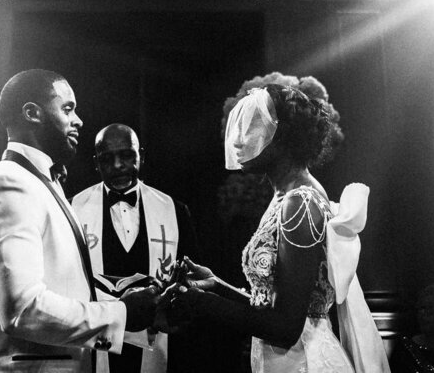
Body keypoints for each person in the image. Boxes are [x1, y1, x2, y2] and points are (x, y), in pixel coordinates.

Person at [163, 83, 390, 372]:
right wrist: (215, 285)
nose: (238, 140)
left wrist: (200, 302)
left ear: (282, 137)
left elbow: (285, 328)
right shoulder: (286, 196)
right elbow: (280, 305)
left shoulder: (299, 204)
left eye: (253, 128)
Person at [0, 68, 161, 372]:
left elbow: (63, 289)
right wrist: (120, 313)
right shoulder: (8, 186)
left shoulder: (39, 183)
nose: (78, 120)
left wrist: (142, 309)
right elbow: (23, 310)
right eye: (68, 108)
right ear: (32, 113)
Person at [71, 123, 200, 373]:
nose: (118, 165)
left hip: (158, 338)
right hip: (95, 341)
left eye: (127, 155)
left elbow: (192, 278)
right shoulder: (72, 209)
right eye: (108, 158)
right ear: (96, 162)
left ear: (141, 155)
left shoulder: (174, 210)